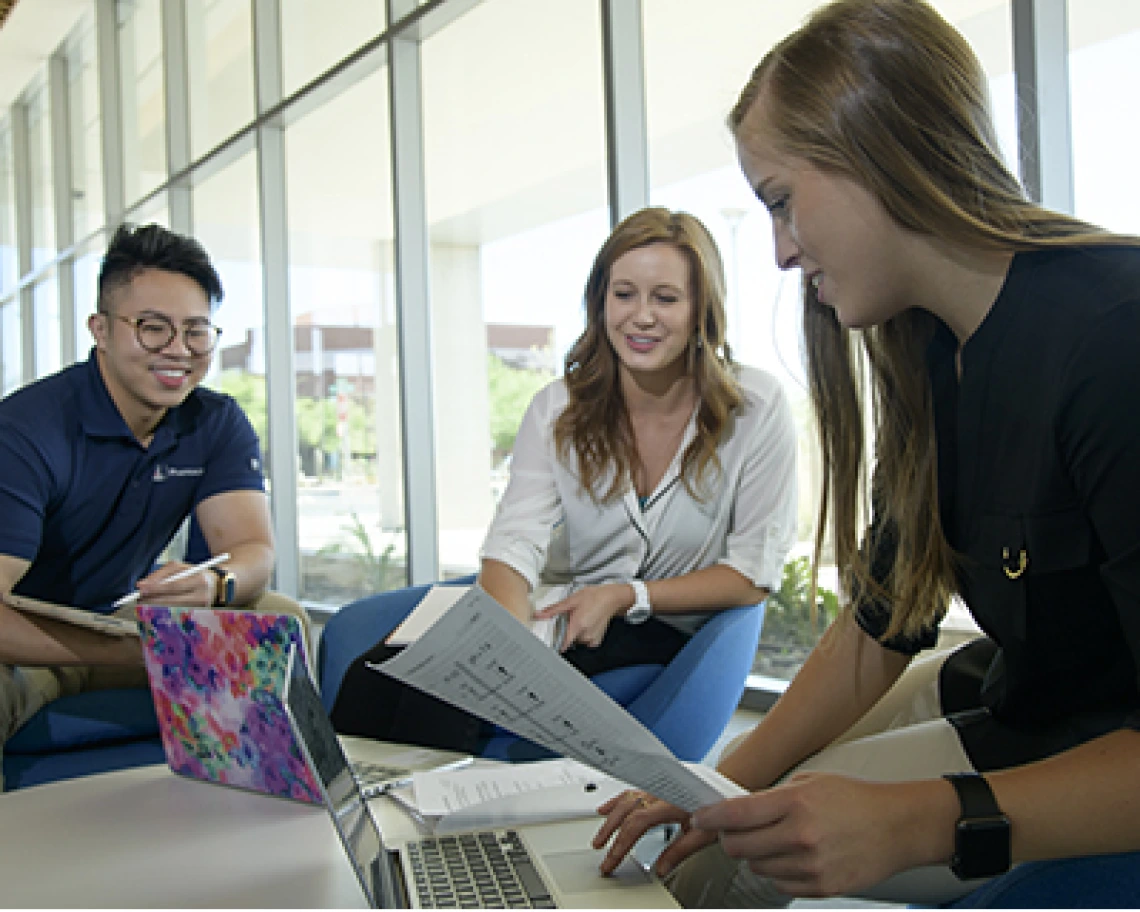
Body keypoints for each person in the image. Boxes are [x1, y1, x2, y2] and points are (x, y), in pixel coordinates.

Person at [593, 1, 1140, 906]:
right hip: (1022, 716)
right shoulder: (929, 356)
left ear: (874, 151)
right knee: (725, 846)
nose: (776, 253)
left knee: (748, 863)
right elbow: (886, 620)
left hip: (1095, 759)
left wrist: (915, 820)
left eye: (780, 201)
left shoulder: (1114, 341)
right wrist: (717, 785)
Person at [329, 206, 798, 753]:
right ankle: (353, 828)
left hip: (666, 626)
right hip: (558, 612)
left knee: (442, 698)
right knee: (377, 674)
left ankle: (434, 824)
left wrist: (627, 596)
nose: (641, 316)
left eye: (665, 298)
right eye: (624, 294)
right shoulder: (559, 407)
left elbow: (752, 571)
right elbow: (514, 540)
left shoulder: (755, 407)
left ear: (701, 310)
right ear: (600, 303)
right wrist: (501, 639)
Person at [0, 223, 306, 790]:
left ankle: (261, 818)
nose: (178, 350)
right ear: (101, 330)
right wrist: (143, 652)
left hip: (122, 618)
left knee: (279, 619)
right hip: (28, 637)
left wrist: (216, 586)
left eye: (196, 331)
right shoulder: (26, 431)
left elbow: (253, 551)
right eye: (152, 328)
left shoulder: (212, 420)